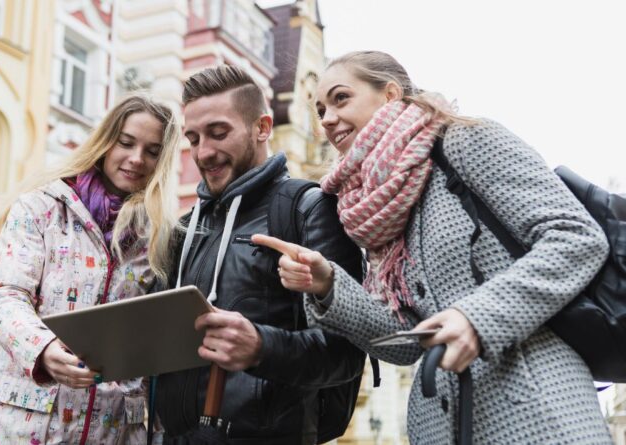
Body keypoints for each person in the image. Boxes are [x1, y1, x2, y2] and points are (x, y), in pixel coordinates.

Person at [252, 50, 613, 444]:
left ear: (389, 95)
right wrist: (327, 285)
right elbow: (407, 343)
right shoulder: (373, 207)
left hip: (535, 407)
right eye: (320, 110)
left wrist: (475, 317)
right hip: (441, 425)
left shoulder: (465, 140)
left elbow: (575, 236)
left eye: (341, 98)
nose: (327, 119)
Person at [153, 65, 367, 444]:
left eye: (219, 133)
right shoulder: (186, 228)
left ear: (262, 128)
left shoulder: (310, 208)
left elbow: (346, 355)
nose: (204, 152)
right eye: (193, 138)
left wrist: (261, 347)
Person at [0, 93, 181, 444]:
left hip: (114, 431)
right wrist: (43, 349)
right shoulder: (41, 207)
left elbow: (155, 343)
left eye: (153, 151)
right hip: (25, 428)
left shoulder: (159, 237)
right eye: (125, 142)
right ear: (105, 140)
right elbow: (3, 297)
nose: (136, 158)